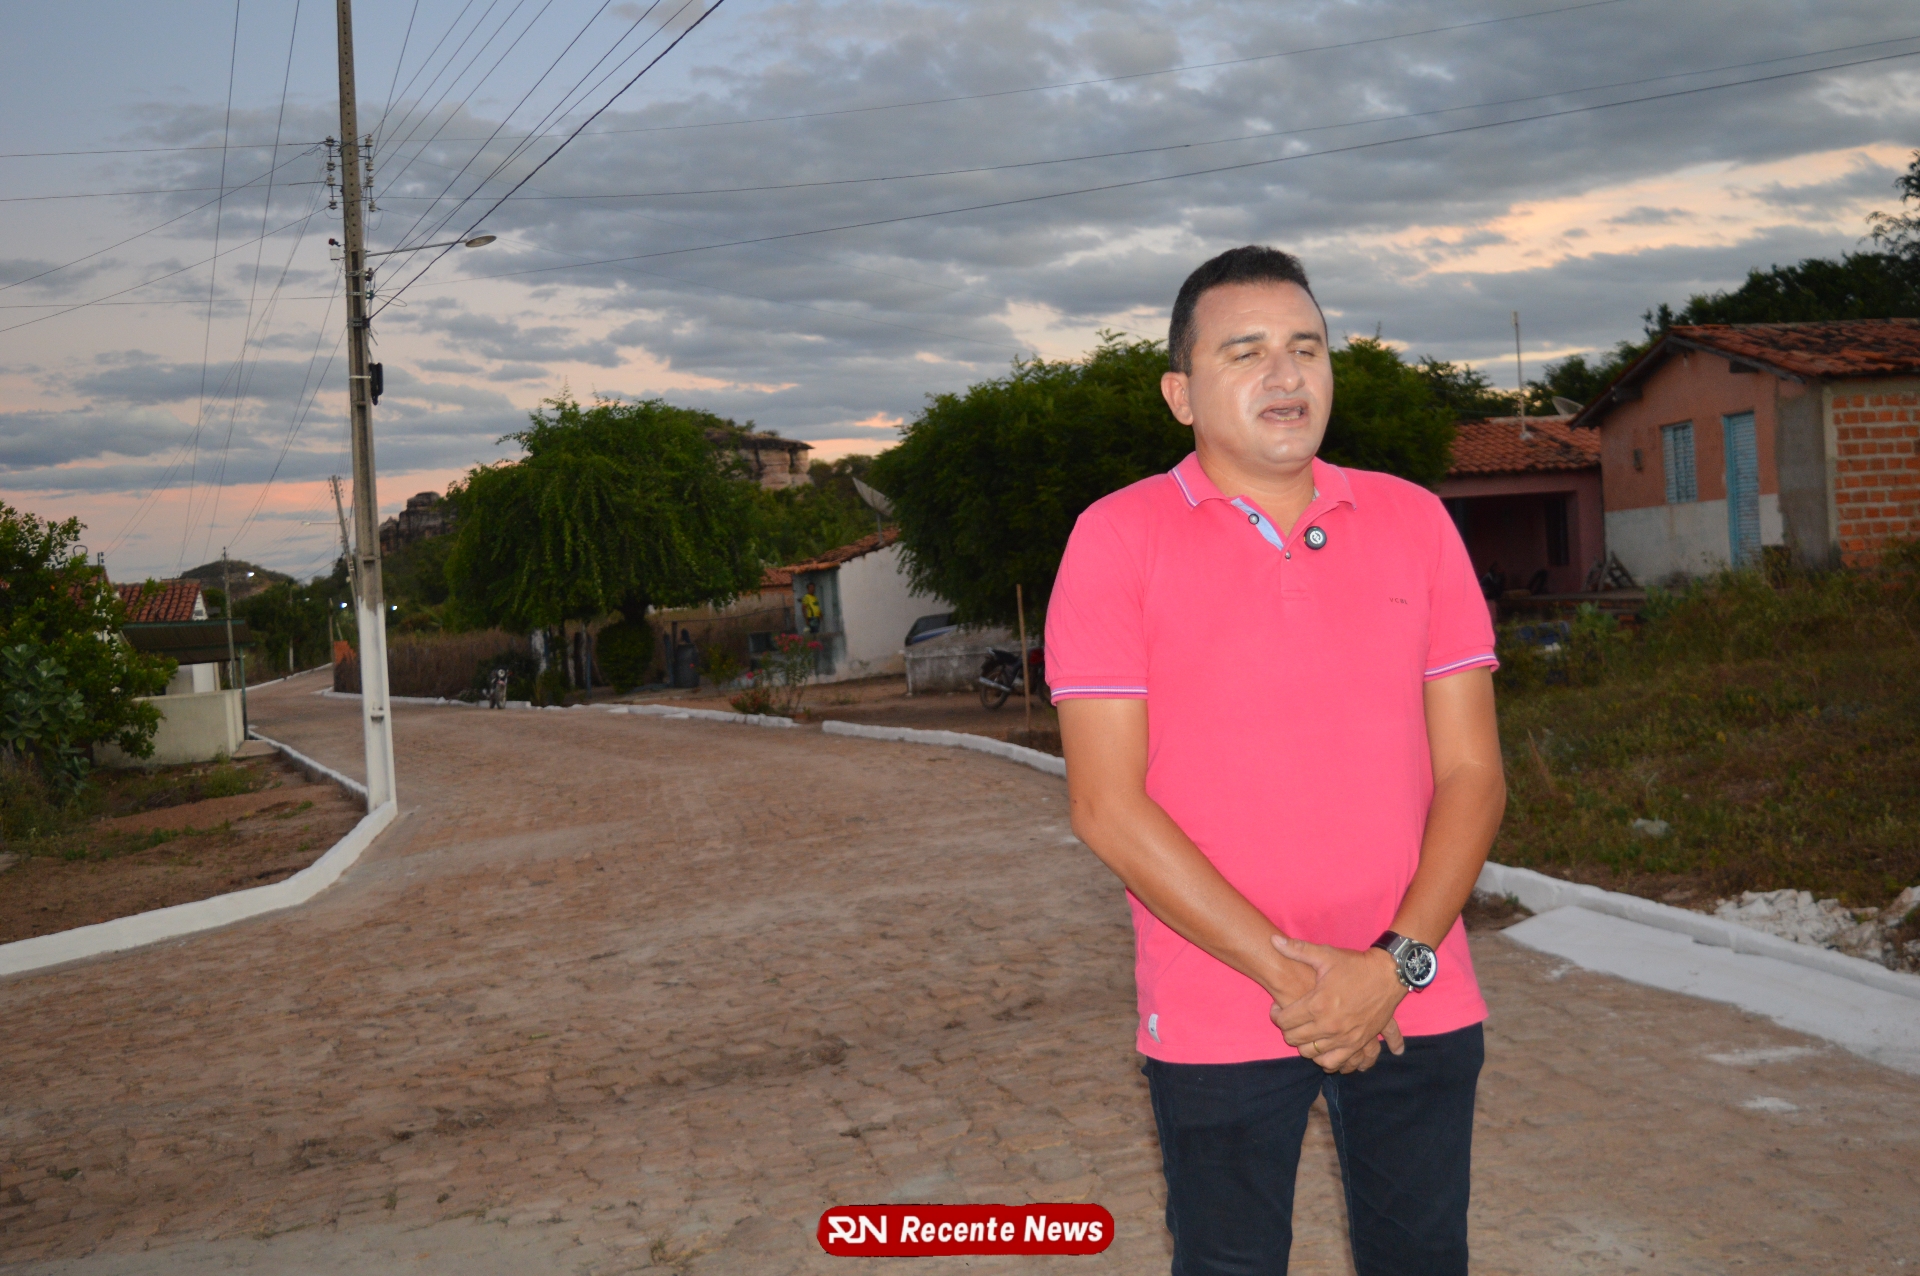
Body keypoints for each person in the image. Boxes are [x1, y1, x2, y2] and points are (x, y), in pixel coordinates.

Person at [1046, 246, 1506, 1275]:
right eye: (1245, 351)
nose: (1285, 374)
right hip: (1220, 1003)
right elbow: (1107, 806)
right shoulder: (1116, 539)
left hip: (1416, 993)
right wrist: (1300, 979)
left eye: (1307, 347)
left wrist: (1391, 968)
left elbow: (1473, 774)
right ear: (1180, 393)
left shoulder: (1415, 521)